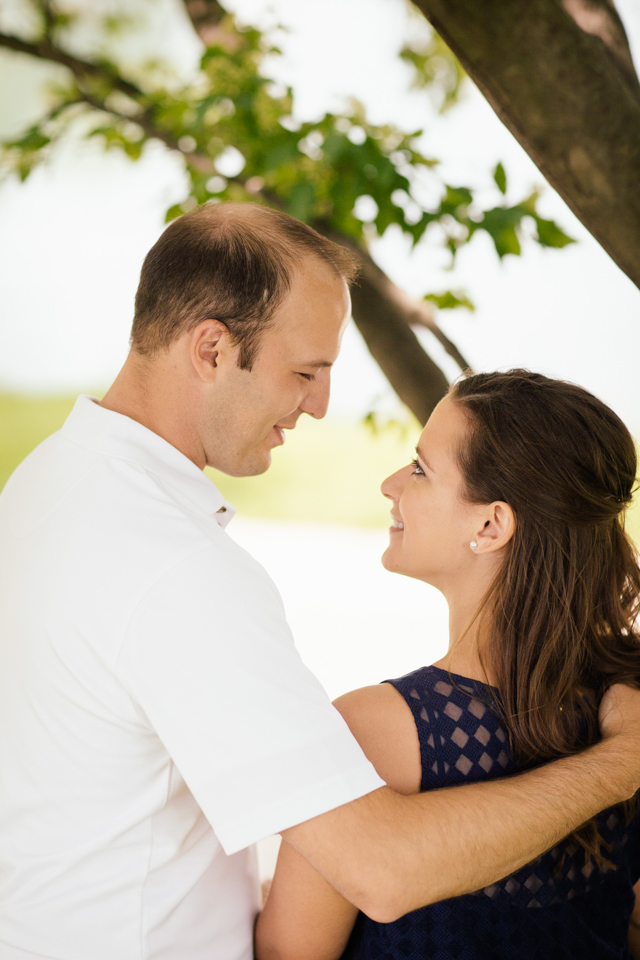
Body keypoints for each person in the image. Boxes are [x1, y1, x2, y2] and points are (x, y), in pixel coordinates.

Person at [0, 203, 639, 960]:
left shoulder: (46, 482)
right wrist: (616, 765)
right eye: (305, 372)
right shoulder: (173, 566)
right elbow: (382, 869)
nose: (320, 405)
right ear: (210, 350)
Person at [256, 369, 640, 960]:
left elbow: (289, 954)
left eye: (419, 468)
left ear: (490, 525)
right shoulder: (626, 706)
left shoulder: (377, 730)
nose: (390, 485)